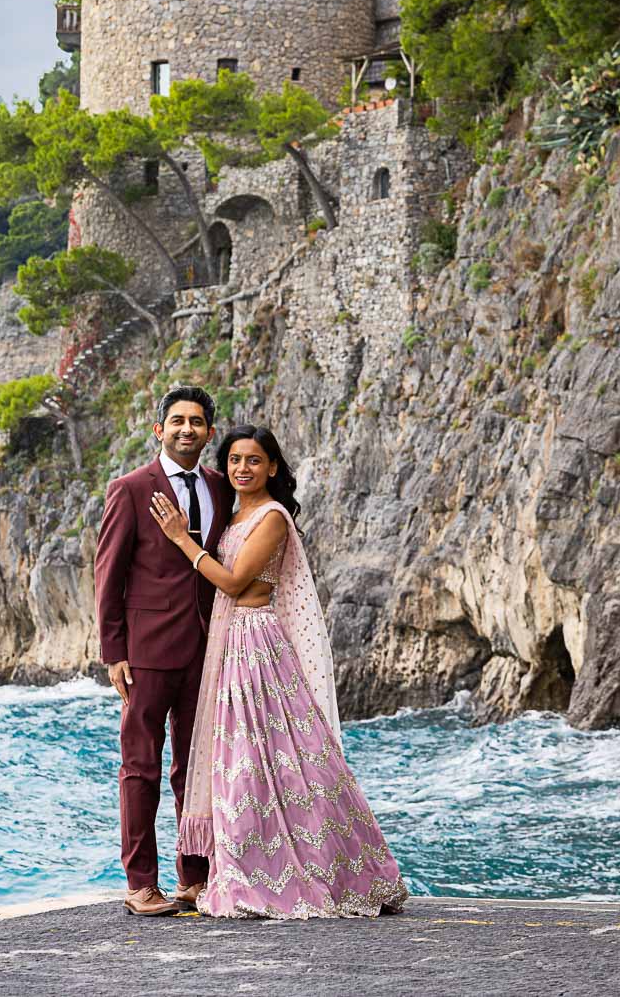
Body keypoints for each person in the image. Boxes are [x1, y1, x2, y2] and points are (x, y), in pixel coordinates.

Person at [149, 423, 409, 920]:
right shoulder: (234, 514)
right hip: (233, 646)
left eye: (253, 460)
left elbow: (233, 580)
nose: (242, 469)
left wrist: (182, 539)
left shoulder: (271, 517)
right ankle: (239, 867)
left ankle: (299, 872)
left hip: (257, 644)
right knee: (242, 763)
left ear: (272, 467)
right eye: (234, 460)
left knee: (272, 763)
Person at [94, 385, 233, 916]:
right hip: (146, 652)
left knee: (196, 768)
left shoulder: (222, 487)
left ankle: (194, 879)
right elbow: (109, 575)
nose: (186, 430)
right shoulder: (130, 488)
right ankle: (140, 883)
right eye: (177, 421)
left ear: (209, 433)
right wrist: (114, 652)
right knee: (141, 767)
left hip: (209, 649)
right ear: (159, 429)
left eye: (197, 422)